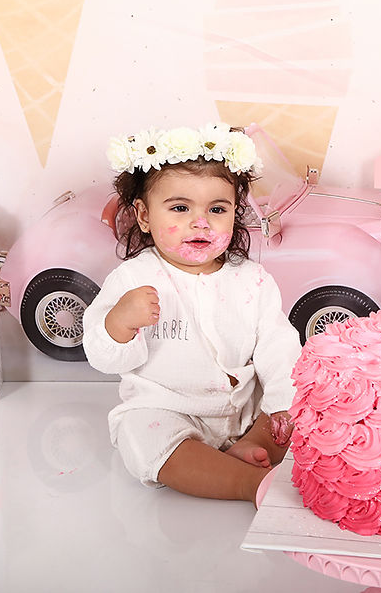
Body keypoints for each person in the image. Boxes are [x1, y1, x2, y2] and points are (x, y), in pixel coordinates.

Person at [82, 123, 301, 503]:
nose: (201, 222)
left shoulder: (252, 280)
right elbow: (103, 357)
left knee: (297, 412)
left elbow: (278, 346)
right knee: (140, 435)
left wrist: (282, 402)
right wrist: (119, 322)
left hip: (246, 413)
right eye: (180, 208)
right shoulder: (133, 278)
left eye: (217, 209)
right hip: (168, 410)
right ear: (144, 215)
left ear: (235, 213)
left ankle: (249, 446)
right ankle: (248, 483)